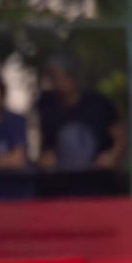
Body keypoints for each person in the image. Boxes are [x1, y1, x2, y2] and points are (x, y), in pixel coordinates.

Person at [36, 52, 125, 195]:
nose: (56, 83)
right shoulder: (47, 105)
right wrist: (46, 158)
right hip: (62, 187)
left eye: (59, 76)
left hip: (99, 185)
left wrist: (113, 156)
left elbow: (120, 136)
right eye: (52, 78)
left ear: (73, 78)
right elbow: (46, 147)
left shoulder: (98, 103)